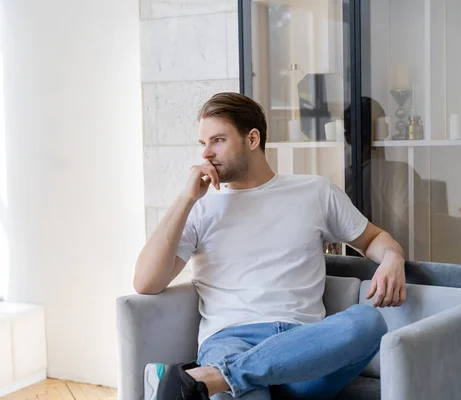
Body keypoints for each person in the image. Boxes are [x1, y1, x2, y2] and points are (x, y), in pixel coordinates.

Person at [134, 92, 406, 400]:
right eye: (203, 144)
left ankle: (212, 377)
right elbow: (146, 282)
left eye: (218, 140)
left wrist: (393, 258)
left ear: (252, 139)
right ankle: (223, 376)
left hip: (302, 348)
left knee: (367, 322)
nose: (206, 154)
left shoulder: (314, 192)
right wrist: (185, 199)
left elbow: (373, 239)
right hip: (230, 339)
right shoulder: (200, 207)